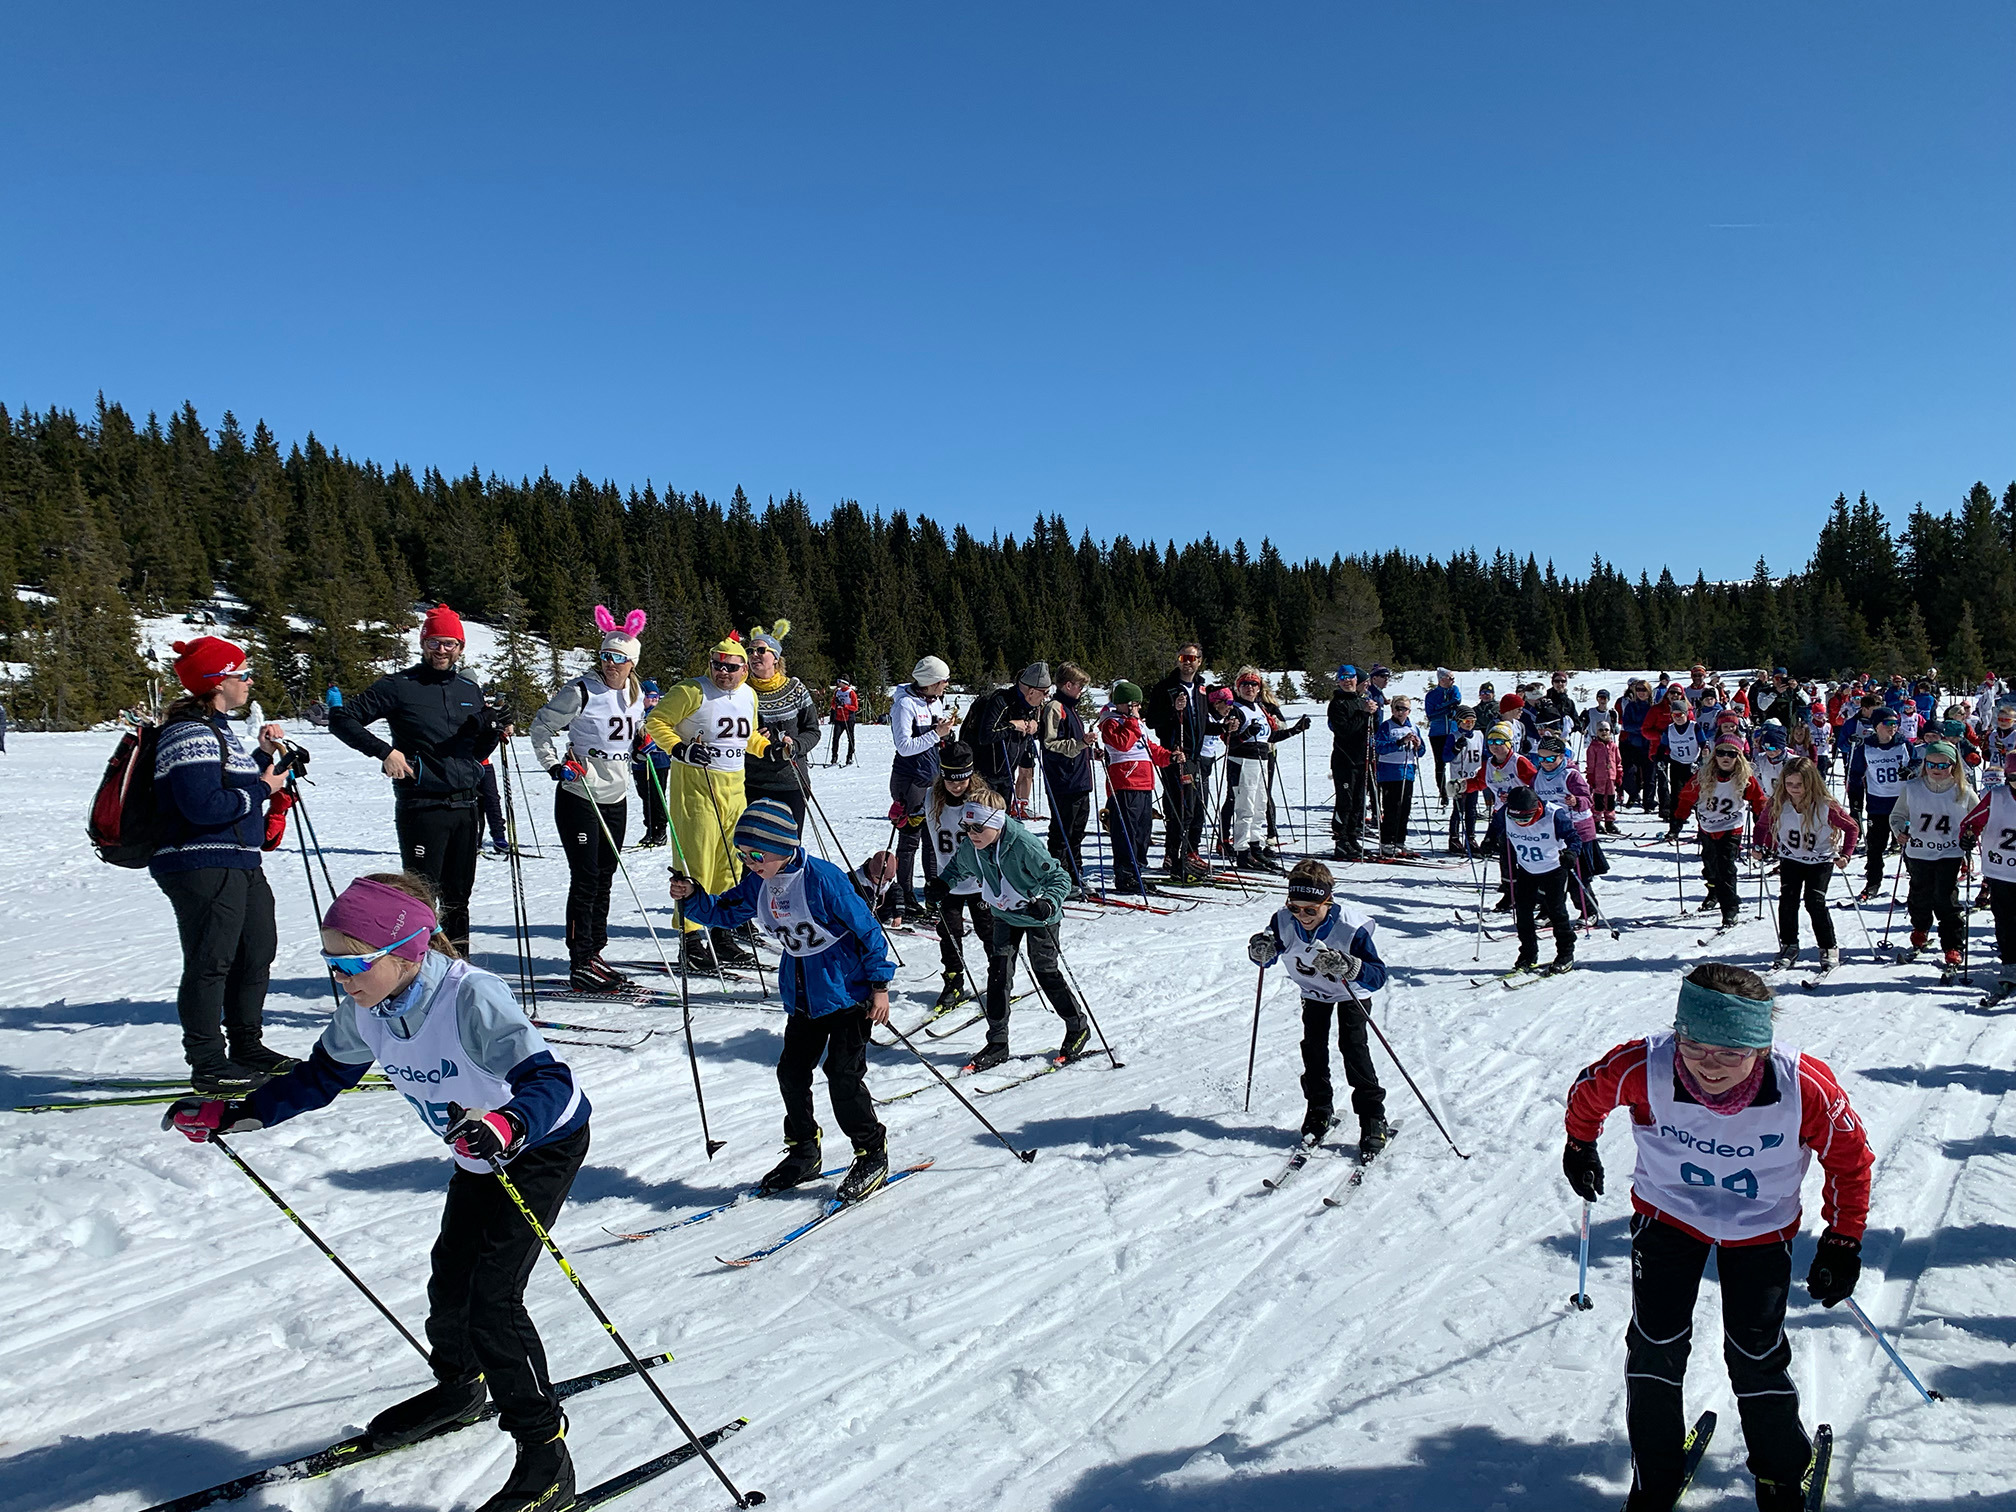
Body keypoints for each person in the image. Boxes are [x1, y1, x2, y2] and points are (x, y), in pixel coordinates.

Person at [167, 871, 592, 1512]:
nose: (342, 978)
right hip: (478, 1150)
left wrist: (509, 1122)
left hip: (538, 1145)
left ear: (408, 953)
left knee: (492, 1300)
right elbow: (320, 1076)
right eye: (331, 963)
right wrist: (238, 1114)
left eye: (352, 963)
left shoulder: (471, 997)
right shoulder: (367, 1009)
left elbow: (550, 1080)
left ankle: (545, 1458)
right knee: (449, 1281)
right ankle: (460, 1388)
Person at [1561, 962, 1872, 1512]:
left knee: (1754, 1352)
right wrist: (1580, 1144)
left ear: (1760, 1049)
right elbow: (1588, 1092)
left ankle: (1780, 1476)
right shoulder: (1645, 1065)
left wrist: (1843, 1240)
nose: (1709, 1065)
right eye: (1695, 1046)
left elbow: (1850, 1161)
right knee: (1654, 1345)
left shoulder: (1804, 1086)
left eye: (1731, 1052)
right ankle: (1654, 1477)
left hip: (1760, 1227)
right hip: (1669, 1214)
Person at [670, 798, 895, 1201]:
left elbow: (867, 930)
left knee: (843, 1078)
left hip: (849, 994)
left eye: (757, 855)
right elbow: (727, 911)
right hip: (803, 997)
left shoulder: (823, 879)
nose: (749, 862)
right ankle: (804, 1149)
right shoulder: (760, 881)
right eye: (743, 854)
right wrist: (693, 896)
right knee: (791, 1074)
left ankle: (871, 1152)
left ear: (784, 846)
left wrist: (879, 985)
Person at [151, 636, 295, 1093]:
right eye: (242, 674)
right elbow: (204, 806)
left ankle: (247, 1046)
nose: (249, 681)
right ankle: (208, 1062)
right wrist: (265, 788)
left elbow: (228, 784)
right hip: (200, 861)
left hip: (237, 859)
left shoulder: (215, 727)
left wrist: (263, 757)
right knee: (211, 961)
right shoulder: (187, 733)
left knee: (256, 952)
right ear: (217, 682)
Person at [330, 606, 507, 953]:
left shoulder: (468, 689)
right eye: (434, 642)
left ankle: (456, 966)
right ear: (423, 643)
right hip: (423, 806)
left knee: (458, 899)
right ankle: (417, 967)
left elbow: (474, 752)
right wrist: (384, 752)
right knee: (421, 900)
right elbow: (342, 719)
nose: (442, 650)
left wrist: (492, 729)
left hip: (466, 807)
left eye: (450, 643)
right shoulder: (399, 686)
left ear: (460, 647)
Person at [927, 786, 1087, 1072]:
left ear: (996, 823)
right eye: (967, 827)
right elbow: (956, 869)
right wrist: (942, 885)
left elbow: (1060, 878)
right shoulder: (972, 846)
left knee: (1045, 972)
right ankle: (998, 1042)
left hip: (1038, 917)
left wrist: (1049, 902)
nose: (971, 833)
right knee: (998, 974)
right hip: (1004, 914)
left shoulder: (1023, 845)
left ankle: (1077, 1027)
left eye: (978, 827)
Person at [529, 607, 648, 992]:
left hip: (616, 795)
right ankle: (580, 959)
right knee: (586, 877)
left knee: (606, 875)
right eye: (605, 656)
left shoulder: (635, 694)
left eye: (618, 658)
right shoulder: (581, 690)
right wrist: (555, 766)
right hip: (580, 794)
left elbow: (631, 733)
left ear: (632, 663)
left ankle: (595, 952)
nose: (610, 663)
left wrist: (642, 743)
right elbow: (541, 726)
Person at [642, 632, 771, 971]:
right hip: (696, 790)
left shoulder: (748, 695)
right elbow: (655, 721)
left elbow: (747, 736)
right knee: (695, 863)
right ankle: (690, 939)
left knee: (730, 864)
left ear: (744, 669)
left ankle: (722, 934)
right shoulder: (691, 691)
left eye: (731, 667)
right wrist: (680, 748)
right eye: (717, 665)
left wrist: (767, 748)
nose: (723, 672)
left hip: (734, 789)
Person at [1246, 860, 1391, 1157]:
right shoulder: (1284, 920)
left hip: (1351, 992)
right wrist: (1260, 950)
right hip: (1314, 992)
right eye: (1295, 908)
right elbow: (1269, 952)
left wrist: (1350, 965)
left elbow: (1378, 976)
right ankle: (1319, 1109)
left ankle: (1372, 1117)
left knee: (1353, 1048)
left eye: (1311, 910)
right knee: (1313, 1048)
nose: (1302, 916)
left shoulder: (1350, 928)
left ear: (1328, 902)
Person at [1892, 739, 1975, 973]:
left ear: (1953, 766)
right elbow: (1897, 815)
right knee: (1920, 893)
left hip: (1950, 852)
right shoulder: (1912, 788)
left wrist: (1970, 835)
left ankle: (1953, 944)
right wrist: (1899, 831)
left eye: (1943, 765)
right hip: (1918, 851)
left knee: (1945, 897)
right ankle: (1920, 928)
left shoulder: (1963, 791)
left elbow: (1978, 818)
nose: (1936, 770)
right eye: (1931, 764)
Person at [1669, 736, 1768, 930]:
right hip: (1707, 827)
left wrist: (1761, 823)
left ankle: (1730, 908)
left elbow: (1758, 800)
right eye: (1721, 753)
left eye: (1731, 754)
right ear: (1715, 755)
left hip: (1731, 828)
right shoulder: (1703, 776)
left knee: (1726, 867)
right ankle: (1713, 892)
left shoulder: (1745, 778)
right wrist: (1677, 822)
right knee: (1710, 866)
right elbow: (1686, 798)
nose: (1726, 757)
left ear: (1738, 757)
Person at [924, 744, 994, 1010]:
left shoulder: (981, 801)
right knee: (949, 934)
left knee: (988, 932)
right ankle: (953, 981)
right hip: (948, 882)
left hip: (980, 881)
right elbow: (921, 832)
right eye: (951, 780)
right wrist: (904, 817)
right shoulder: (932, 798)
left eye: (962, 780)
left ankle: (999, 977)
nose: (956, 786)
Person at [886, 655, 956, 919]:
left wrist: (945, 736)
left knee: (932, 839)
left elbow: (933, 739)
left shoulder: (934, 701)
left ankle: (932, 894)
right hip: (911, 779)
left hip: (932, 777)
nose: (946, 684)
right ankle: (904, 896)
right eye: (943, 680)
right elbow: (904, 746)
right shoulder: (905, 704)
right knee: (910, 841)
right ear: (931, 681)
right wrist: (935, 734)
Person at [1484, 785, 1578, 975]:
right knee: (1523, 914)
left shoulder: (1554, 814)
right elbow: (1495, 827)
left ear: (1536, 809)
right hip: (1526, 870)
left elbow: (1573, 837)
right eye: (1516, 819)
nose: (1521, 823)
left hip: (1553, 869)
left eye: (1525, 818)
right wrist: (1488, 840)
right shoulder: (1506, 813)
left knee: (1556, 912)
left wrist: (1571, 853)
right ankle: (1528, 954)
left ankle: (1565, 954)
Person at [1099, 680, 1180, 892]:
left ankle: (1137, 870)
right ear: (1125, 704)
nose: (1139, 708)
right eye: (1135, 704)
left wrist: (1169, 757)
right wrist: (1133, 722)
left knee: (1143, 831)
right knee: (1127, 831)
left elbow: (1149, 747)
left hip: (1145, 783)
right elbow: (1122, 744)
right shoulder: (1110, 722)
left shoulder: (1136, 723)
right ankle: (1125, 874)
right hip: (1125, 782)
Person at [1225, 667, 1306, 873]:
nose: (1250, 688)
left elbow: (1269, 736)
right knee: (1245, 808)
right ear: (1238, 687)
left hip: (1261, 760)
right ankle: (1242, 851)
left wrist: (1295, 730)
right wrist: (1245, 735)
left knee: (1260, 807)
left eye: (1254, 684)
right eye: (1245, 684)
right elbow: (1228, 741)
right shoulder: (1236, 710)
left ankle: (1256, 846)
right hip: (1242, 762)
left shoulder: (1259, 708)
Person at [1146, 643, 1216, 879]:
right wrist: (1173, 709)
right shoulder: (1165, 687)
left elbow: (1202, 723)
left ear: (1199, 661)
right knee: (1180, 808)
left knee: (1194, 808)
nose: (1187, 662)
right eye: (1183, 658)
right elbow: (1152, 721)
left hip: (1194, 756)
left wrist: (1224, 727)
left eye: (1192, 658)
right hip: (1174, 755)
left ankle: (1186, 853)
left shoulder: (1201, 688)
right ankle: (1175, 857)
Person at [743, 622, 820, 829]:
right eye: (750, 651)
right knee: (753, 844)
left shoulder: (795, 688)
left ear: (775, 657)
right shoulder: (742, 691)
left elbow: (812, 730)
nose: (754, 655)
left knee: (788, 844)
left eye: (761, 650)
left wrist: (794, 745)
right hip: (752, 782)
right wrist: (752, 737)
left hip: (791, 782)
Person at [1961, 751, 2016, 1005]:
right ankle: (2010, 964)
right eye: (2013, 778)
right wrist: (1968, 835)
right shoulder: (1997, 797)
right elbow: (1971, 822)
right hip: (2000, 871)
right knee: (2005, 920)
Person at [1037, 662, 1096, 890]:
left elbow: (1074, 744)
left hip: (1079, 780)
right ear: (1068, 685)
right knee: (1062, 832)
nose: (1081, 691)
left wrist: (1089, 751)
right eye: (1080, 686)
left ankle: (1074, 875)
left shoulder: (1071, 708)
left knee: (1077, 833)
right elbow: (1050, 744)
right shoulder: (1055, 707)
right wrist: (1081, 743)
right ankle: (1059, 879)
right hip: (1063, 781)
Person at [1848, 706, 1912, 902]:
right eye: (1888, 723)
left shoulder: (1904, 744)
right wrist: (1856, 800)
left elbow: (1918, 764)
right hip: (1878, 805)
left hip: (1903, 805)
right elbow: (1855, 775)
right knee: (1875, 847)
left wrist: (1910, 771)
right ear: (1876, 726)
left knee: (1909, 847)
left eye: (1895, 723)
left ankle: (1917, 885)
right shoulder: (1866, 748)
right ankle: (1873, 883)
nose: (1893, 727)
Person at [1326, 665, 1375, 862]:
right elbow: (1345, 730)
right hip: (1344, 760)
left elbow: (1369, 729)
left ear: (1356, 680)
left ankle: (1352, 837)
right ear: (1338, 681)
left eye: (1350, 678)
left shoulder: (1361, 700)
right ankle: (1341, 839)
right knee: (1344, 802)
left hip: (1361, 759)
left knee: (1358, 802)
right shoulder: (1337, 704)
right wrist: (1363, 714)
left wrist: (1371, 713)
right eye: (1343, 678)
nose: (1347, 681)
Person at [1373, 693, 1424, 858]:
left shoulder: (1413, 727)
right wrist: (1400, 742)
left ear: (1409, 711)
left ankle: (1399, 841)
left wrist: (1418, 745)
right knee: (1391, 809)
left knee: (1404, 809)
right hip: (1389, 772)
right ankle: (1387, 842)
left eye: (1404, 709)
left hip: (1407, 772)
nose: (1401, 712)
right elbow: (1379, 747)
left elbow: (1421, 751)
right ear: (1392, 709)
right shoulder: (1386, 726)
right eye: (1397, 708)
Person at [631, 680, 671, 847]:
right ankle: (650, 829)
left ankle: (661, 829)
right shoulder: (635, 713)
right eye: (650, 696)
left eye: (656, 696)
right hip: (639, 763)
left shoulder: (659, 714)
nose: (654, 699)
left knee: (657, 796)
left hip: (658, 762)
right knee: (645, 796)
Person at [1444, 705, 1485, 855]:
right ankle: (1454, 838)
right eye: (1467, 721)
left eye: (1473, 721)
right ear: (1459, 721)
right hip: (1459, 779)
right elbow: (1445, 757)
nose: (1470, 724)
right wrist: (1456, 748)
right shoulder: (1453, 736)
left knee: (1471, 809)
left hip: (1473, 778)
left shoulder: (1479, 735)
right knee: (1458, 809)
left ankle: (1471, 837)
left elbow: (1484, 753)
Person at [1423, 668, 1462, 801]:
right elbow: (1431, 715)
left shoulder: (1454, 689)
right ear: (1442, 680)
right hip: (1437, 733)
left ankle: (1458, 790)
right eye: (1450, 678)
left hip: (1453, 731)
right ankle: (1443, 793)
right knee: (1440, 763)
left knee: (1457, 761)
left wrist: (1441, 707)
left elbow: (1457, 700)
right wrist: (1447, 709)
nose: (1453, 681)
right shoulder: (1432, 695)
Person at [1584, 718, 1623, 836]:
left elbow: (1618, 762)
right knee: (1598, 800)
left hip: (1611, 777)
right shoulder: (1593, 747)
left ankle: (1609, 822)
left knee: (1610, 800)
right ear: (1597, 732)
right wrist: (1590, 776)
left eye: (1606, 730)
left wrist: (1619, 775)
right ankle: (1596, 821)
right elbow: (1590, 764)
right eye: (1601, 730)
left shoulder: (1613, 746)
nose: (1604, 732)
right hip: (1598, 778)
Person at [827, 678, 859, 766]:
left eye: (840, 682)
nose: (838, 683)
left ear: (845, 683)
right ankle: (834, 757)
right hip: (839, 719)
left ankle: (849, 757)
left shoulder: (851, 692)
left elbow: (855, 707)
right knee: (835, 738)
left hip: (849, 719)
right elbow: (833, 705)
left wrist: (844, 706)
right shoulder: (837, 692)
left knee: (850, 739)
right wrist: (836, 704)